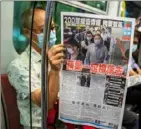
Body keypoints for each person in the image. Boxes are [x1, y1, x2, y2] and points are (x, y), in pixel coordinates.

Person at [7, 7, 65, 129]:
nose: (51, 33)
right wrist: (54, 70)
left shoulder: (60, 57)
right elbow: (46, 103)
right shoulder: (19, 66)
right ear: (28, 33)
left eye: (53, 28)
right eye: (44, 29)